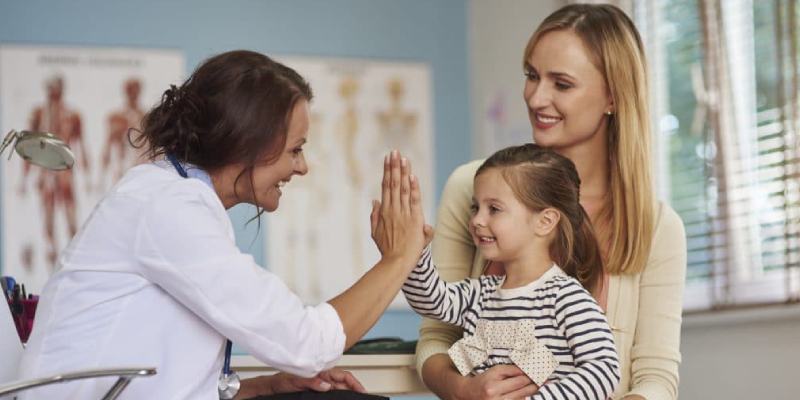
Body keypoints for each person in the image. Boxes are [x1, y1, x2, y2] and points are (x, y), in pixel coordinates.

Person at [18, 50, 429, 400]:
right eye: (296, 149)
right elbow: (309, 344)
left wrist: (264, 387)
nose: (301, 167)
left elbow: (170, 376)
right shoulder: (168, 208)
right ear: (249, 142)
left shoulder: (172, 198)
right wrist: (399, 258)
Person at [415, 4, 687, 400]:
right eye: (531, 76)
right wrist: (462, 389)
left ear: (613, 95)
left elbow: (656, 378)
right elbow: (436, 338)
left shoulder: (658, 226)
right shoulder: (469, 191)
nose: (536, 97)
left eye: (561, 84)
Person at [403, 144, 620, 399]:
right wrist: (412, 252)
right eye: (476, 208)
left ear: (545, 221)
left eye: (493, 209)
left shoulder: (567, 298)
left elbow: (604, 369)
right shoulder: (480, 293)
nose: (477, 220)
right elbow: (429, 300)